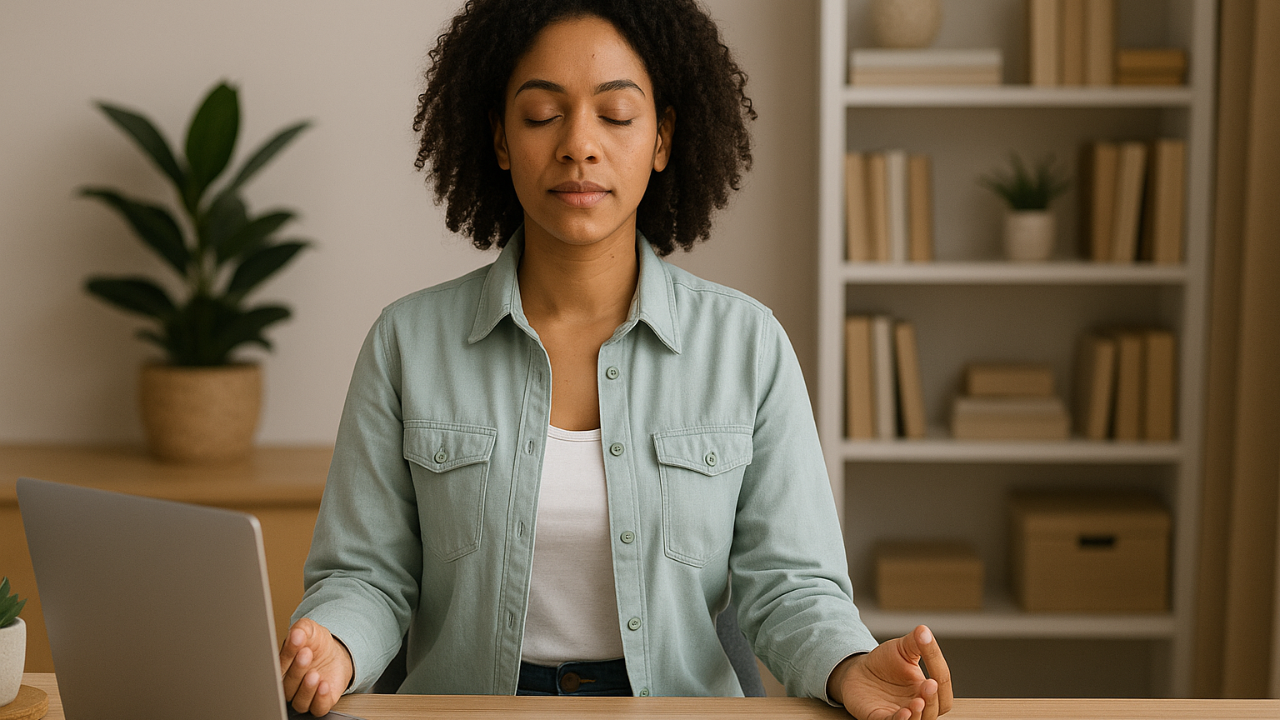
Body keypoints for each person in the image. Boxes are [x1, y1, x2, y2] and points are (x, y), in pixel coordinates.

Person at [278, 1, 953, 718]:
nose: (578, 145)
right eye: (541, 116)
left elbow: (790, 586)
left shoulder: (746, 345)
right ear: (500, 139)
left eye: (616, 115)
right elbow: (368, 577)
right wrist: (335, 646)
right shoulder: (407, 343)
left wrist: (849, 666)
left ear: (662, 137)